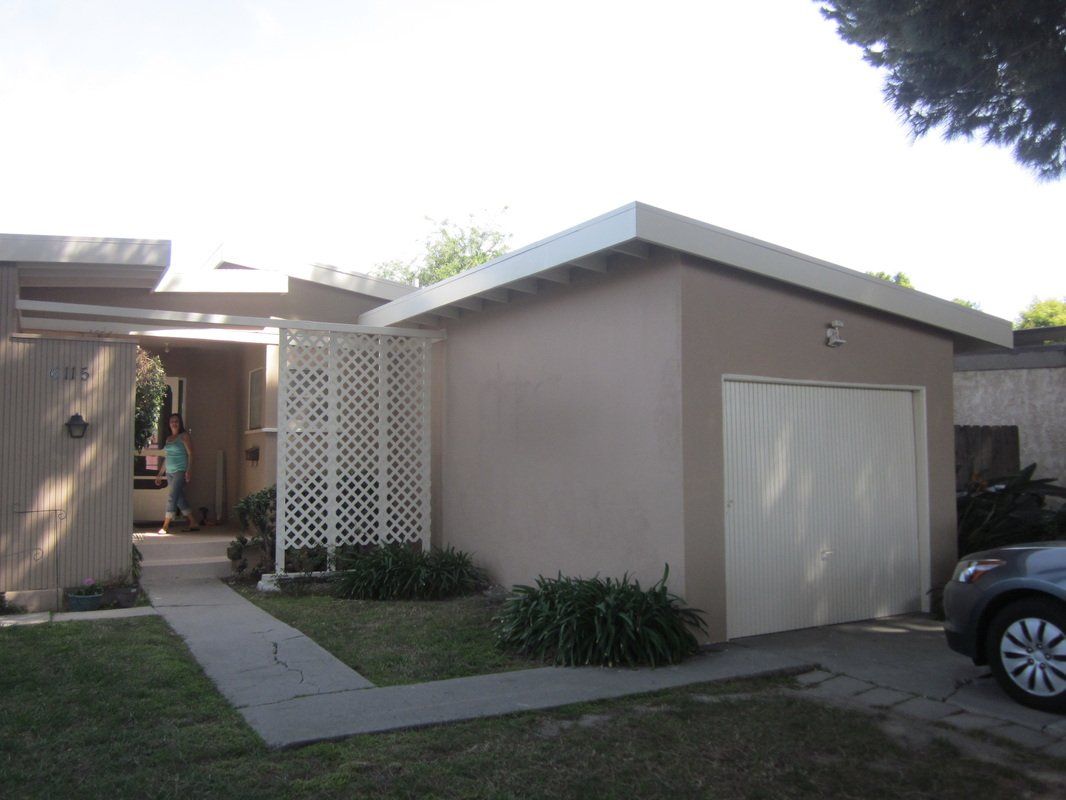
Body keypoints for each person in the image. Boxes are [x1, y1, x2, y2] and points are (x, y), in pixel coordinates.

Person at [154, 413, 198, 534]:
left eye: (176, 421)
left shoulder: (184, 436)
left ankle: (165, 526)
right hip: (169, 472)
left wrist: (189, 470)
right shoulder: (168, 439)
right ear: (169, 424)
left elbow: (191, 454)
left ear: (180, 423)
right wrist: (160, 474)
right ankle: (193, 522)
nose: (174, 423)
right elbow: (167, 457)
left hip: (180, 471)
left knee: (172, 497)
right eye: (172, 421)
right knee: (178, 498)